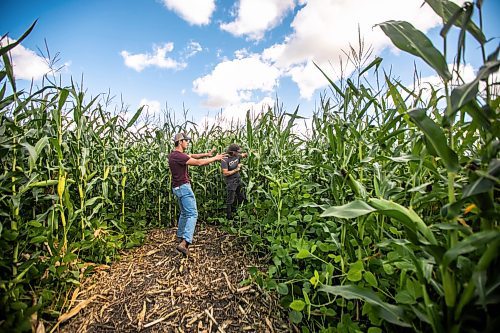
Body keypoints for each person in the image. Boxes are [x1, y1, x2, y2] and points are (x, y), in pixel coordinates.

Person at [168, 132, 226, 256]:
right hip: (184, 188)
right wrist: (215, 158)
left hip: (176, 188)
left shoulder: (173, 155)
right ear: (180, 142)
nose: (188, 143)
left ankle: (180, 236)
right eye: (186, 141)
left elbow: (193, 155)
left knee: (184, 213)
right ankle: (185, 243)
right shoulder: (179, 156)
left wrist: (207, 154)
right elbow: (198, 163)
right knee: (193, 214)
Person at [221, 143, 248, 220]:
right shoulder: (225, 159)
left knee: (241, 197)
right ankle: (229, 218)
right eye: (237, 152)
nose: (238, 153)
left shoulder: (237, 156)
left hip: (238, 180)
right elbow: (225, 173)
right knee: (230, 200)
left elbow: (244, 155)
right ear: (232, 152)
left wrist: (251, 153)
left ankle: (241, 213)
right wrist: (236, 169)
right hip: (231, 182)